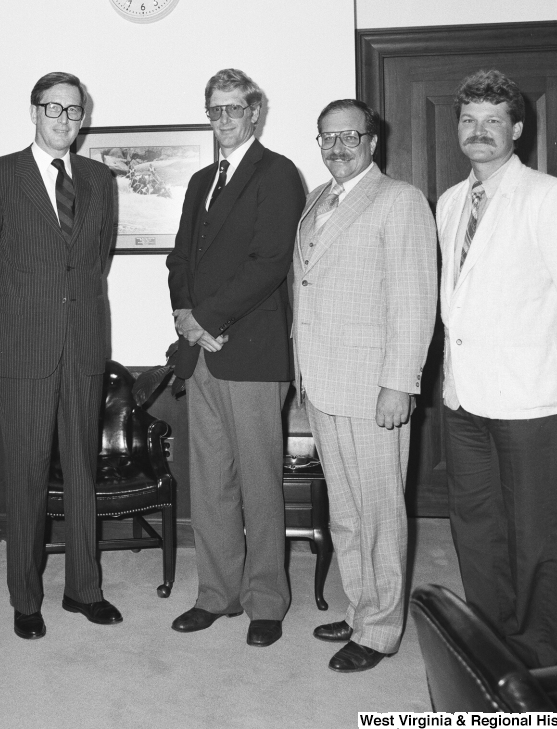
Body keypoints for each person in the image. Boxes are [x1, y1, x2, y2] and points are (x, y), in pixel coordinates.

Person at [438, 69, 557, 667]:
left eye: (493, 121)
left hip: (531, 400)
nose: (479, 131)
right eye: (468, 120)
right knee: (476, 526)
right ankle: (489, 635)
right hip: (464, 398)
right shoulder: (451, 201)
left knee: (534, 534)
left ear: (517, 128)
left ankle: (535, 653)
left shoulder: (550, 195)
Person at [0, 72, 119, 640]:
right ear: (33, 112)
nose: (63, 119)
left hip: (83, 346)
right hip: (24, 348)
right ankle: (25, 599)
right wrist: (21, 316)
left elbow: (93, 260)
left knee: (82, 468)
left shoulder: (101, 179)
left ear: (83, 119)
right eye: (53, 108)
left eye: (74, 111)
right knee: (26, 474)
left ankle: (84, 589)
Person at [293, 98, 437, 672]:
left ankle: (380, 630)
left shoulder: (400, 201)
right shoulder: (317, 200)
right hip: (324, 383)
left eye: (349, 136)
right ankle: (360, 609)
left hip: (373, 386)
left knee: (379, 511)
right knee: (347, 512)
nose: (336, 146)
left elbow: (414, 299)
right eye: (326, 138)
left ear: (373, 141)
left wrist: (400, 382)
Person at [165, 68, 305, 648]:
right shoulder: (201, 180)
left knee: (257, 482)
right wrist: (184, 316)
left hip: (250, 352)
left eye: (233, 110)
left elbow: (269, 261)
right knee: (210, 483)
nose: (223, 120)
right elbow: (179, 257)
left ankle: (266, 602)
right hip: (201, 353)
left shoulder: (277, 174)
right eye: (215, 111)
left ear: (255, 113)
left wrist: (208, 318)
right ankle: (216, 595)